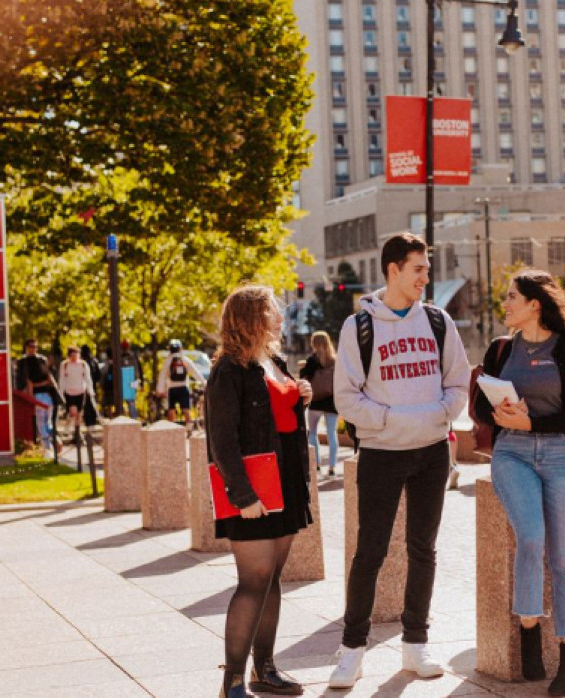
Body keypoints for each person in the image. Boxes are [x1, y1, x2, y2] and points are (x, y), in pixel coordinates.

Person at [329, 233, 470, 689]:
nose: (426, 278)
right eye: (418, 269)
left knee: (423, 550)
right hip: (381, 455)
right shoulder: (360, 328)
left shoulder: (438, 322)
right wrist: (392, 420)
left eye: (427, 269)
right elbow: (346, 398)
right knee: (369, 552)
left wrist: (435, 416)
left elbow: (459, 384)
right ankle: (352, 650)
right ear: (393, 270)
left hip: (430, 452)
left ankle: (416, 644)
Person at [472, 270, 565, 696]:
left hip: (562, 456)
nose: (504, 305)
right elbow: (479, 407)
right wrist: (503, 415)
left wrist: (533, 420)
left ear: (534, 304)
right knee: (531, 537)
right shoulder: (501, 349)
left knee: (564, 561)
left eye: (511, 298)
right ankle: (528, 630)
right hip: (513, 455)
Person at [207, 285, 314, 698]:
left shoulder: (273, 362)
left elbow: (278, 418)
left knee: (271, 581)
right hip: (252, 489)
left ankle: (264, 670)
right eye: (271, 311)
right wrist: (243, 495)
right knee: (253, 581)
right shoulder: (228, 371)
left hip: (285, 482)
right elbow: (222, 440)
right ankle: (232, 681)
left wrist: (299, 395)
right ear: (251, 318)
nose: (279, 317)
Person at [299, 331, 340, 477]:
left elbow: (303, 377)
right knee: (331, 433)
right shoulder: (335, 360)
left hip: (315, 401)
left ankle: (316, 463)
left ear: (314, 343)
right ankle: (332, 466)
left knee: (313, 433)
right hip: (331, 402)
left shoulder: (312, 360)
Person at [16, 338, 57, 454]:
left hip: (45, 394)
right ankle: (48, 445)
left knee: (46, 421)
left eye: (35, 346)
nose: (33, 349)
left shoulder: (42, 360)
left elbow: (48, 376)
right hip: (35, 395)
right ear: (26, 347)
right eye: (31, 346)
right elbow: (24, 381)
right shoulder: (23, 361)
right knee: (41, 422)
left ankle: (50, 444)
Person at [156, 339, 203, 428]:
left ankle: (171, 429)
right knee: (186, 409)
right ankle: (189, 428)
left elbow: (162, 375)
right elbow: (195, 371)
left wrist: (160, 389)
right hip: (184, 387)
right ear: (180, 348)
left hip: (172, 389)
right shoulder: (184, 359)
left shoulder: (168, 361)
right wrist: (203, 382)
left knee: (171, 409)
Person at [58, 346, 97, 431]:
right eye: (72, 356)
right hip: (69, 392)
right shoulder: (64, 365)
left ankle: (77, 431)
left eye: (76, 355)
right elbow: (62, 379)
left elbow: (88, 378)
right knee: (73, 412)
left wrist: (90, 390)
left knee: (79, 413)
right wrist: (61, 392)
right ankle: (69, 424)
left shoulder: (83, 364)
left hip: (80, 391)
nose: (74, 358)